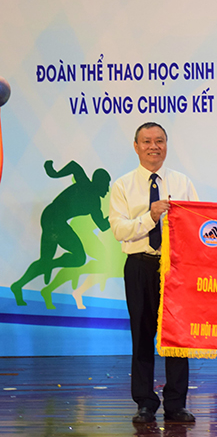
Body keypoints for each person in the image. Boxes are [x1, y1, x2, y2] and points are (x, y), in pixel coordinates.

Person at [109, 122, 198, 424]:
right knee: (142, 335)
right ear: (136, 147)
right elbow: (120, 230)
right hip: (140, 266)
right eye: (147, 141)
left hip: (175, 268)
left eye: (159, 141)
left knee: (176, 338)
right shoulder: (122, 185)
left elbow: (199, 224)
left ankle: (176, 402)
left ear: (167, 145)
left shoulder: (182, 182)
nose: (153, 147)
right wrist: (151, 217)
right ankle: (145, 402)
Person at [11, 160, 111, 307]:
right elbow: (74, 166)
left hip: (55, 220)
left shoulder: (95, 204)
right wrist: (53, 173)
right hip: (53, 219)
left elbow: (102, 225)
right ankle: (48, 265)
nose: (107, 189)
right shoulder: (85, 184)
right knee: (78, 257)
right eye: (106, 185)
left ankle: (18, 285)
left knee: (53, 260)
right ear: (99, 182)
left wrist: (117, 219)